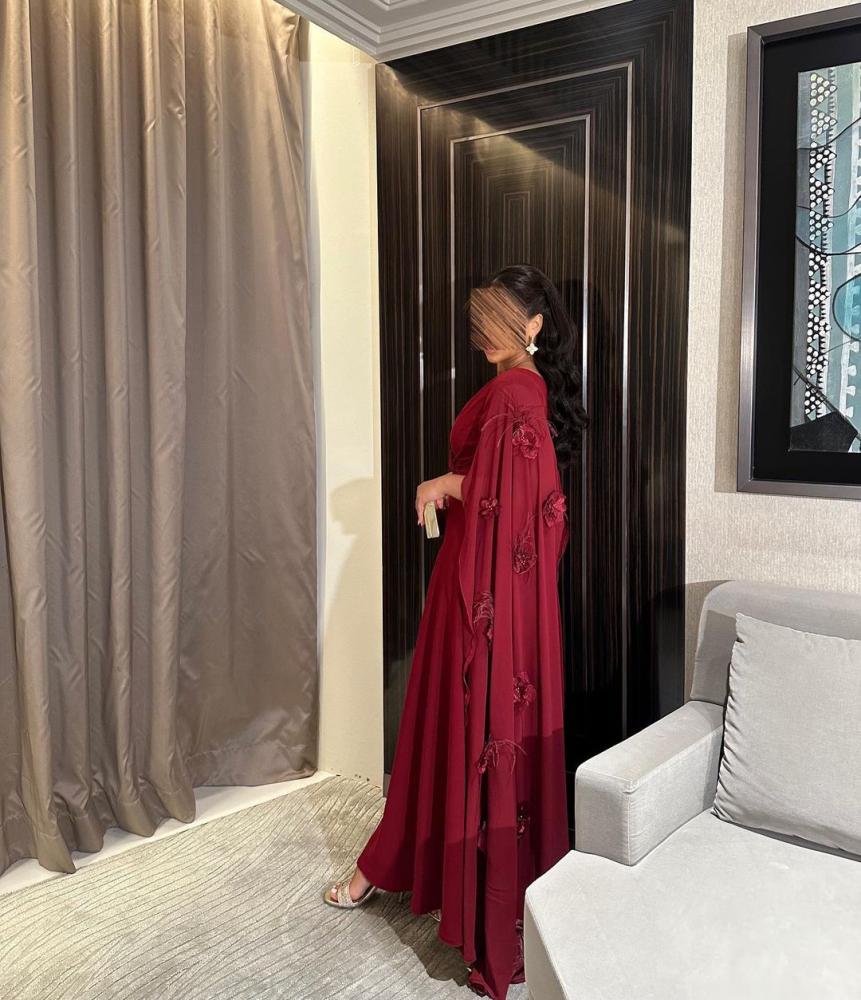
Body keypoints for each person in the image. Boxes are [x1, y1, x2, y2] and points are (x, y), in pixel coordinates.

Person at [322, 264, 589, 999]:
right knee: (447, 727)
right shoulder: (524, 389)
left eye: (502, 318)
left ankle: (397, 872)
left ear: (534, 325)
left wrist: (442, 484)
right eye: (482, 319)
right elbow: (527, 499)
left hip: (481, 596)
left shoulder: (515, 391)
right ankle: (404, 866)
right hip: (487, 589)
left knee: (452, 724)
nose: (486, 332)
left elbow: (515, 497)